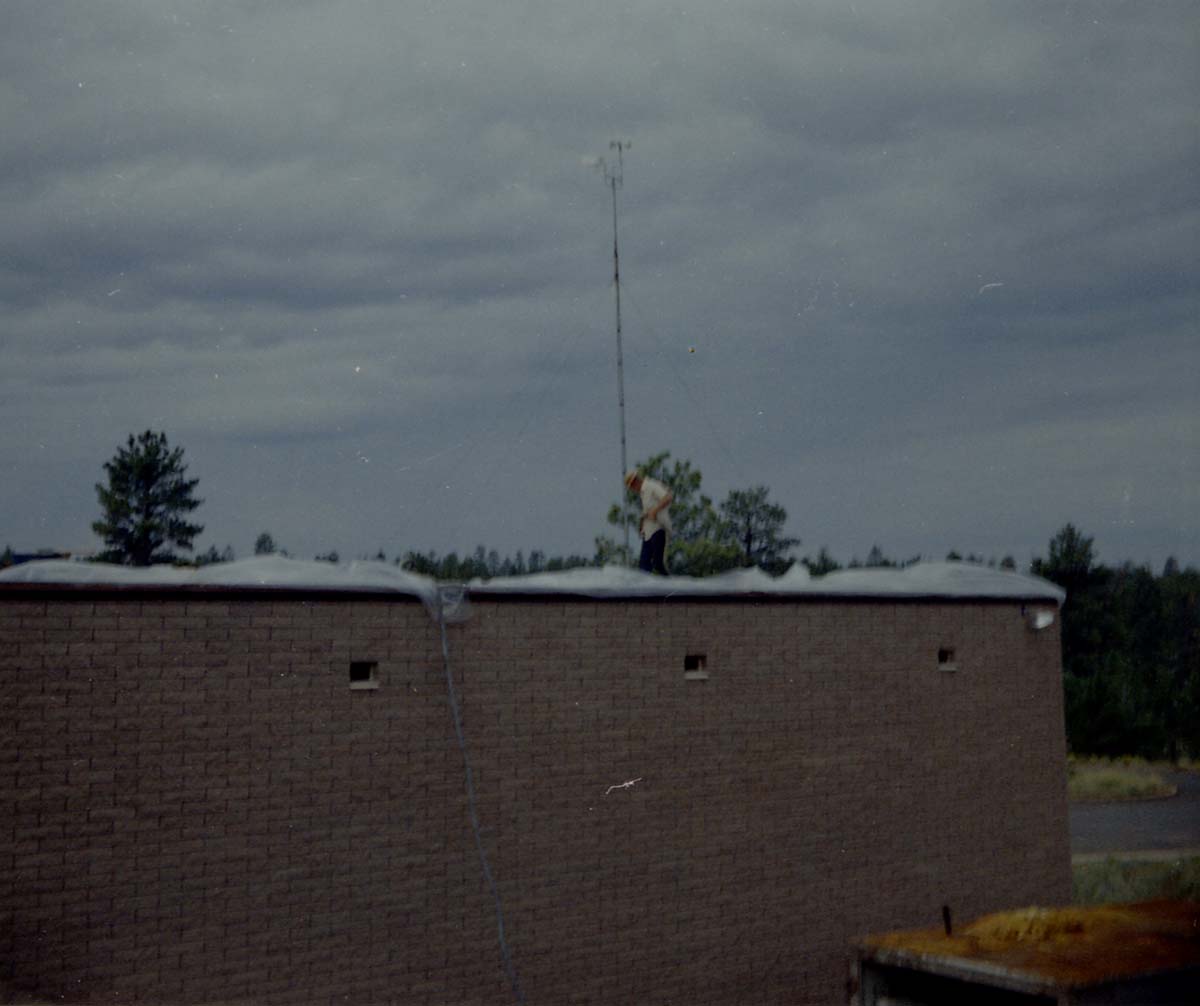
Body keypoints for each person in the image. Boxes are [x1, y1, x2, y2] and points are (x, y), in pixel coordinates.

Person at [624, 469, 672, 575]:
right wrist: (642, 523)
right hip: (649, 531)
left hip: (659, 528)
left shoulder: (651, 485)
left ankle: (671, 587)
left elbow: (668, 497)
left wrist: (655, 511)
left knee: (657, 563)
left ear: (635, 482)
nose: (633, 489)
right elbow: (647, 511)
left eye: (632, 487)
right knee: (644, 566)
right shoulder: (643, 493)